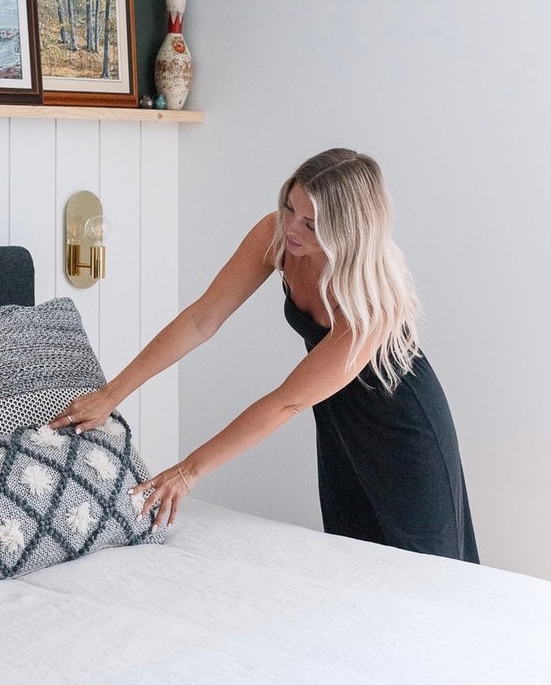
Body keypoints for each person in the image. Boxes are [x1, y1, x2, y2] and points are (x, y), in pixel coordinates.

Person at [51, 148, 478, 562]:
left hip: (402, 426)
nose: (292, 228)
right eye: (291, 207)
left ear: (348, 231)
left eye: (311, 224)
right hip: (336, 415)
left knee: (428, 574)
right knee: (355, 559)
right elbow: (203, 319)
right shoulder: (277, 236)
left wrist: (189, 471)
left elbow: (286, 401)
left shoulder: (373, 303)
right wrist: (112, 395)